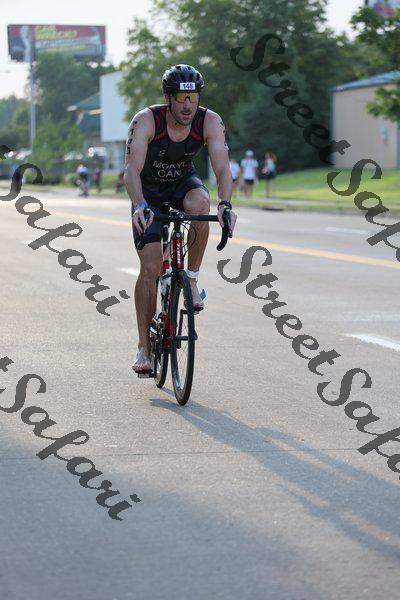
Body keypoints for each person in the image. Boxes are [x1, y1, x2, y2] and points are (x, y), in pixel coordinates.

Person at [124, 64, 237, 372]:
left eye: (193, 98)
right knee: (150, 268)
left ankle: (192, 279)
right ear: (168, 98)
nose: (188, 105)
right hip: (148, 193)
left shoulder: (209, 121)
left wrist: (226, 204)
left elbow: (223, 168)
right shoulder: (146, 120)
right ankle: (143, 348)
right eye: (181, 98)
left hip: (182, 184)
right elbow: (131, 169)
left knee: (201, 203)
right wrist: (139, 204)